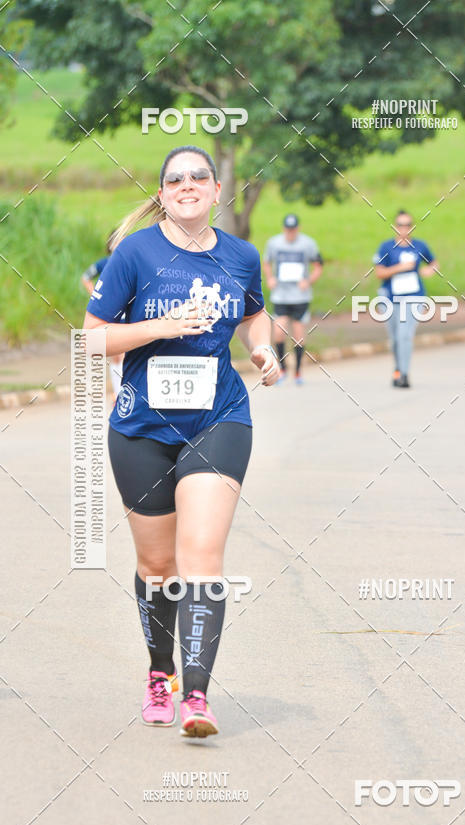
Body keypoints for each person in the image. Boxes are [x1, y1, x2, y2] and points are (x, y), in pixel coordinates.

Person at [83, 145, 280, 739]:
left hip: (217, 420)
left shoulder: (242, 256)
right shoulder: (135, 254)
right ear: (163, 194)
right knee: (158, 563)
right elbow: (91, 340)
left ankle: (196, 695)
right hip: (141, 427)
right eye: (176, 179)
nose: (188, 184)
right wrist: (164, 327)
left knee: (200, 557)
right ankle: (160, 674)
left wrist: (262, 349)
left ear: (217, 191)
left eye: (199, 176)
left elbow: (253, 315)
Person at [373, 210, 437, 388]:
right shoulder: (386, 248)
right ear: (395, 226)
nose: (404, 228)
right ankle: (398, 368)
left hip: (413, 298)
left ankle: (404, 374)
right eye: (400, 225)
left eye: (407, 225)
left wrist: (429, 270)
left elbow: (433, 262)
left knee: (405, 335)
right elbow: (379, 272)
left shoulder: (420, 246)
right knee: (395, 339)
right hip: (391, 298)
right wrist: (400, 268)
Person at [264, 213, 323, 385]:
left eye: (293, 229)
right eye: (288, 229)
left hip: (300, 296)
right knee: (279, 332)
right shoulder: (274, 243)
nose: (290, 233)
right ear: (284, 229)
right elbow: (267, 262)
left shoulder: (308, 244)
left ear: (298, 229)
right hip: (281, 295)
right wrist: (270, 278)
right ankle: (282, 367)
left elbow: (318, 266)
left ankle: (298, 370)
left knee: (298, 335)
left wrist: (309, 281)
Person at [82, 245, 124, 402]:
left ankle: (122, 392)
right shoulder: (104, 263)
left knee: (125, 352)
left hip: (126, 312)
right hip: (109, 313)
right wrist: (96, 295)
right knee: (116, 355)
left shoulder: (131, 262)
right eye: (117, 240)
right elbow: (86, 277)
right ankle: (117, 390)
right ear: (110, 245)